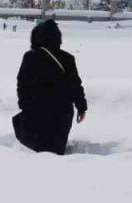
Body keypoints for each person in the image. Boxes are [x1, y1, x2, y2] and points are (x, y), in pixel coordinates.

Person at [14, 19, 87, 155]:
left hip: (36, 112)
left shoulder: (30, 57)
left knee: (38, 151)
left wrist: (24, 105)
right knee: (55, 151)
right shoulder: (67, 59)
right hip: (61, 114)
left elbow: (22, 84)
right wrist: (81, 108)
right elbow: (75, 86)